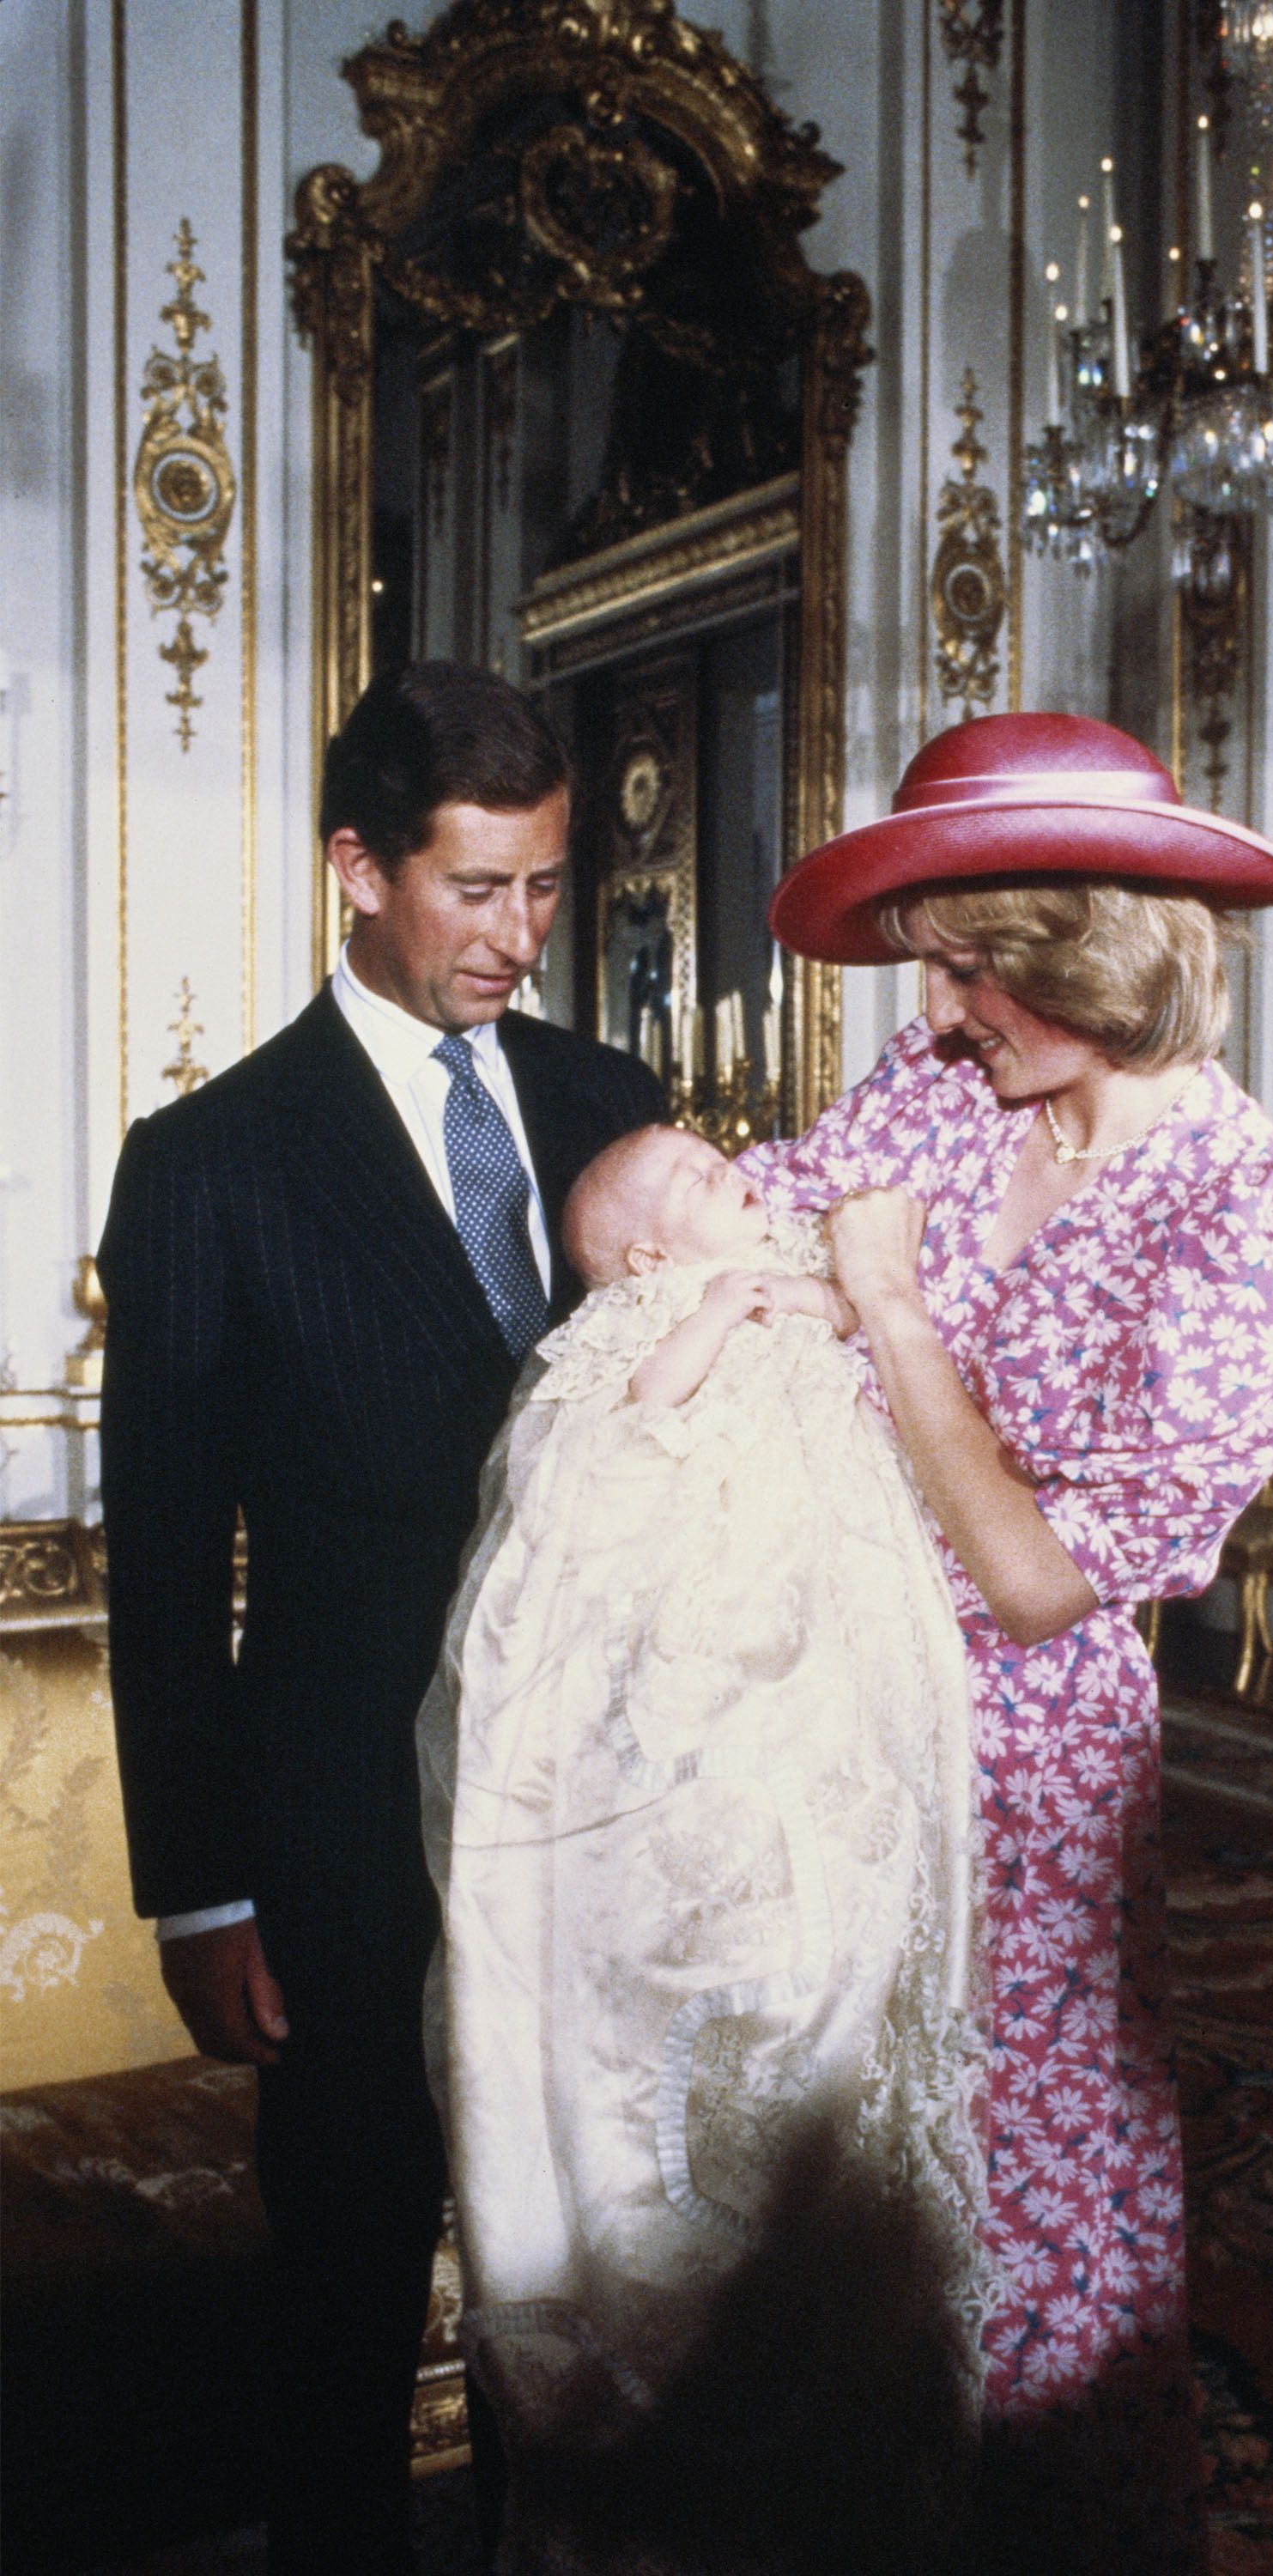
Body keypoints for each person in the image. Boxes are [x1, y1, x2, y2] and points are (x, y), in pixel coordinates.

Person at [742, 710, 1273, 2576]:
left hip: (1023, 1768)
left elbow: (1031, 1585)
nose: (931, 1014)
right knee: (821, 2170)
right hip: (817, 1708)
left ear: (1086, 950)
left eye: (970, 969)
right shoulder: (946, 1096)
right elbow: (731, 1231)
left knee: (1030, 2187)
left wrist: (887, 1309)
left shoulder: (1261, 1219)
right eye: (931, 967)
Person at [96, 662, 664, 2575]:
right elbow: (167, 1566)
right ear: (359, 867)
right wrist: (202, 1891)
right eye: (475, 888)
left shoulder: (613, 1108)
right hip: (342, 1836)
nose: (518, 936)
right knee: (341, 2291)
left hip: (597, 1823)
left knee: (580, 2292)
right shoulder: (209, 1168)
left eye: (544, 888)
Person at [417, 1123, 986, 2575]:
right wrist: (716, 1313)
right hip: (700, 1676)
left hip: (830, 1656)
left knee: (852, 1993)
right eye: (691, 1180)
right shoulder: (649, 1317)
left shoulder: (781, 1268)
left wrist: (825, 1296)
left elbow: (859, 1306)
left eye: (719, 1154)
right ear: (652, 1258)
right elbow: (624, 1426)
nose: (732, 1165)